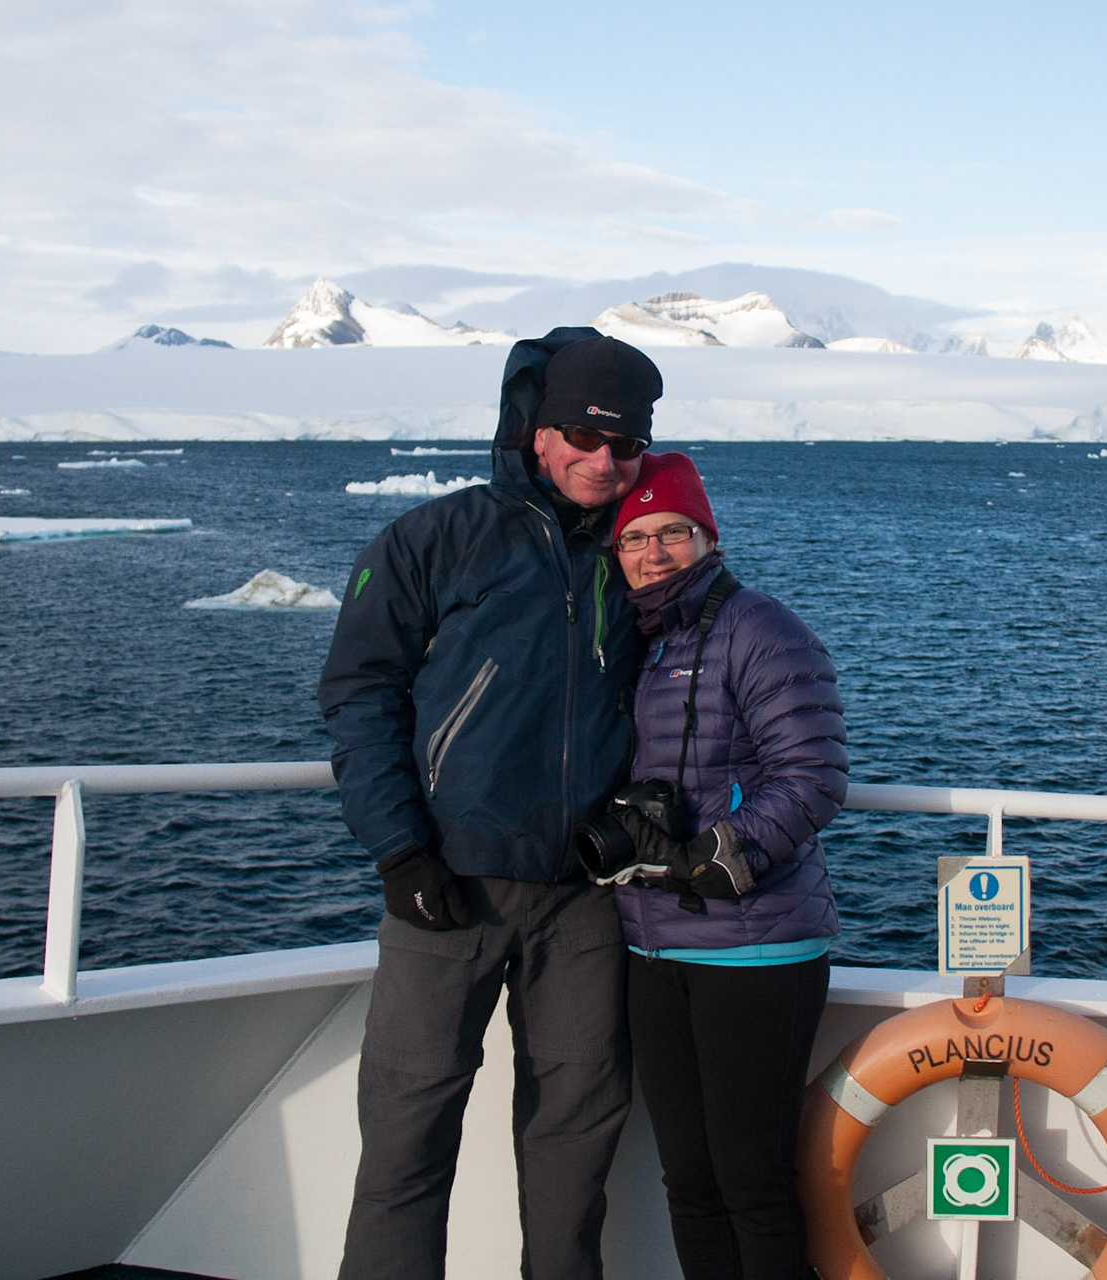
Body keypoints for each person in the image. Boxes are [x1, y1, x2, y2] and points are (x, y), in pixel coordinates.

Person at [319, 328, 661, 1280]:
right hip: (447, 886)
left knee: (574, 1143)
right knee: (406, 1135)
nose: (602, 461)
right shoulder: (437, 539)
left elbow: (699, 700)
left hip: (587, 898)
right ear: (534, 430)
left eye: (624, 444)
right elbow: (359, 692)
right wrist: (400, 852)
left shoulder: (640, 556)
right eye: (582, 437)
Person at [578, 450, 847, 1280]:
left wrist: (725, 855)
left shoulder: (759, 627)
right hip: (653, 947)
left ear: (708, 539)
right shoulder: (631, 639)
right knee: (690, 1181)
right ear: (614, 554)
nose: (654, 554)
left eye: (674, 534)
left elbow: (813, 773)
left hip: (755, 946)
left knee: (750, 1180)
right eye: (636, 539)